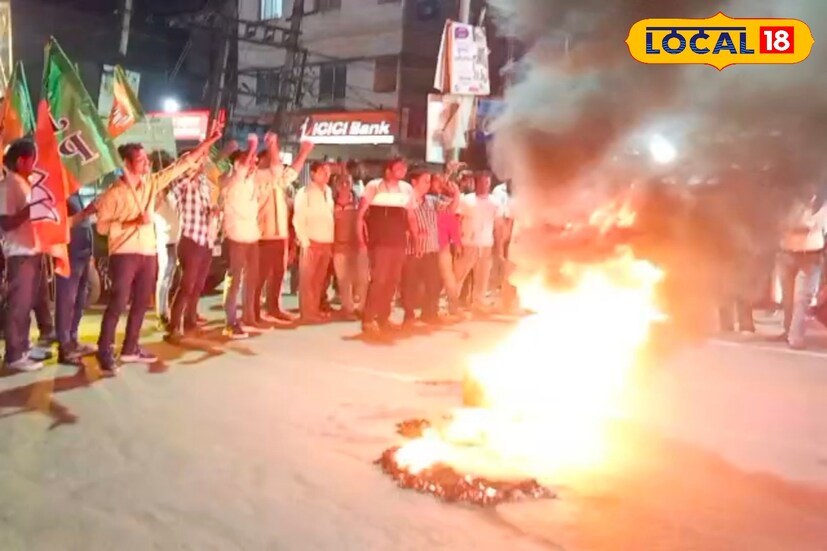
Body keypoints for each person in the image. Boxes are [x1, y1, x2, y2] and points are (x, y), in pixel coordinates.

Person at [95, 128, 220, 373]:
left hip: (148, 252)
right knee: (119, 302)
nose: (145, 164)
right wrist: (132, 222)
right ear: (127, 163)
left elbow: (181, 165)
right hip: (124, 253)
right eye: (140, 160)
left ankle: (131, 347)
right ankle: (104, 349)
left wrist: (208, 143)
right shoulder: (114, 192)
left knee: (142, 302)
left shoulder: (151, 184)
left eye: (146, 159)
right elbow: (101, 226)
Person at [255, 134, 313, 326]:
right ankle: (254, 311)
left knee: (278, 273)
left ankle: (273, 307)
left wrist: (304, 152)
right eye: (272, 158)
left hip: (279, 235)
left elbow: (292, 173)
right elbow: (279, 169)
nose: (276, 162)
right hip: (262, 235)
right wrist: (273, 145)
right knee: (259, 276)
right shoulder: (256, 178)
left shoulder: (277, 181)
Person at [357, 158, 418, 337]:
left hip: (398, 242)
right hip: (379, 242)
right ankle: (368, 319)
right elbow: (360, 215)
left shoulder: (407, 189)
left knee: (392, 281)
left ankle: (384, 318)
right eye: (399, 168)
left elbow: (411, 216)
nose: (403, 170)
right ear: (388, 171)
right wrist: (361, 239)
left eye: (404, 167)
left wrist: (415, 237)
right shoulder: (374, 186)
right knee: (379, 280)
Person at [0, 140, 43, 371]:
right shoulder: (8, 186)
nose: (35, 164)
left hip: (31, 250)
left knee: (26, 304)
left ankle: (24, 346)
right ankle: (14, 354)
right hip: (19, 253)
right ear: (21, 161)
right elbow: (5, 223)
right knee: (17, 304)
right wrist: (31, 208)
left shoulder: (24, 184)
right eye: (32, 160)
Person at [165, 161, 217, 343]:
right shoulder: (181, 183)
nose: (201, 166)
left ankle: (190, 322)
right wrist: (189, 174)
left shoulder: (203, 183)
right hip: (190, 239)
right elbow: (171, 197)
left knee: (197, 287)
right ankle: (173, 326)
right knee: (187, 286)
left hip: (205, 239)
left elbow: (207, 204)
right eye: (196, 163)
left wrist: (212, 212)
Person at [221, 134, 263, 338]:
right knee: (235, 281)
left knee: (251, 280)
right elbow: (244, 165)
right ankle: (230, 321)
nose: (254, 164)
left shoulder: (250, 182)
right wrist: (253, 145)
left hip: (252, 237)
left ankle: (248, 316)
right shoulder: (234, 180)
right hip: (236, 238)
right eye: (250, 160)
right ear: (238, 164)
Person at [777, 188, 827, 349]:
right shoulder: (789, 201)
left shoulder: (821, 203)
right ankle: (789, 332)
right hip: (788, 252)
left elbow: (817, 225)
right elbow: (781, 223)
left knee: (802, 298)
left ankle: (794, 335)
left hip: (810, 254)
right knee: (789, 297)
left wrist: (798, 225)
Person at [400, 170, 448, 327]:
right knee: (410, 284)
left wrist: (453, 192)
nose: (428, 184)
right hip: (412, 250)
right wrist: (413, 233)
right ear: (414, 182)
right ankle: (409, 315)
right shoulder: (405, 200)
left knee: (433, 283)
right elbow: (402, 222)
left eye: (429, 181)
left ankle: (430, 313)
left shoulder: (431, 201)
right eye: (425, 181)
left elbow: (449, 210)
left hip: (431, 248)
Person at [55, 192, 98, 366]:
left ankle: (73, 339)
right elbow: (63, 225)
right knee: (67, 300)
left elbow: (86, 225)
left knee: (80, 299)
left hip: (84, 254)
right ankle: (65, 347)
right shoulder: (60, 196)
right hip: (69, 255)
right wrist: (86, 212)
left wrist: (91, 254)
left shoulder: (75, 195)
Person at [454, 171, 504, 314]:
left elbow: (498, 226)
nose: (484, 185)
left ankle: (479, 303)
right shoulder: (466, 200)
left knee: (482, 277)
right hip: (468, 244)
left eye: (487, 182)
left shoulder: (495, 202)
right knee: (459, 275)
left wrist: (499, 248)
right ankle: (452, 303)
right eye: (481, 182)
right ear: (475, 183)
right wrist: (457, 243)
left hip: (486, 244)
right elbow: (457, 222)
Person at [293, 162, 335, 324]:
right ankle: (307, 312)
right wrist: (304, 242)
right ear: (313, 174)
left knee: (319, 280)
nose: (326, 175)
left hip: (326, 241)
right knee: (307, 280)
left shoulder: (329, 192)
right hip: (311, 241)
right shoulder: (304, 193)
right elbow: (298, 218)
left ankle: (315, 309)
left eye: (328, 172)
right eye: (323, 172)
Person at [331, 173, 368, 319]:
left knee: (362, 278)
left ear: (352, 184)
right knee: (343, 279)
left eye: (347, 182)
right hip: (338, 247)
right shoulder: (331, 204)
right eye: (341, 182)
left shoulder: (360, 203)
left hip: (359, 246)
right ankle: (348, 308)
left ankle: (362, 307)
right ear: (336, 185)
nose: (344, 185)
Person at [153, 161, 181, 329]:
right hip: (165, 241)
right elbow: (152, 209)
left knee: (172, 279)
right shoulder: (157, 194)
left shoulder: (173, 193)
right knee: (164, 278)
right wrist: (159, 195)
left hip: (177, 239)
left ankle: (170, 311)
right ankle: (161, 313)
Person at [431, 172, 462, 315]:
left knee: (447, 276)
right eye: (437, 181)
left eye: (441, 182)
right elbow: (450, 210)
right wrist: (456, 194)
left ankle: (452, 306)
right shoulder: (430, 199)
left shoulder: (439, 199)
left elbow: (451, 217)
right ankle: (435, 307)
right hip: (431, 245)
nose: (441, 184)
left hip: (442, 245)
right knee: (437, 278)